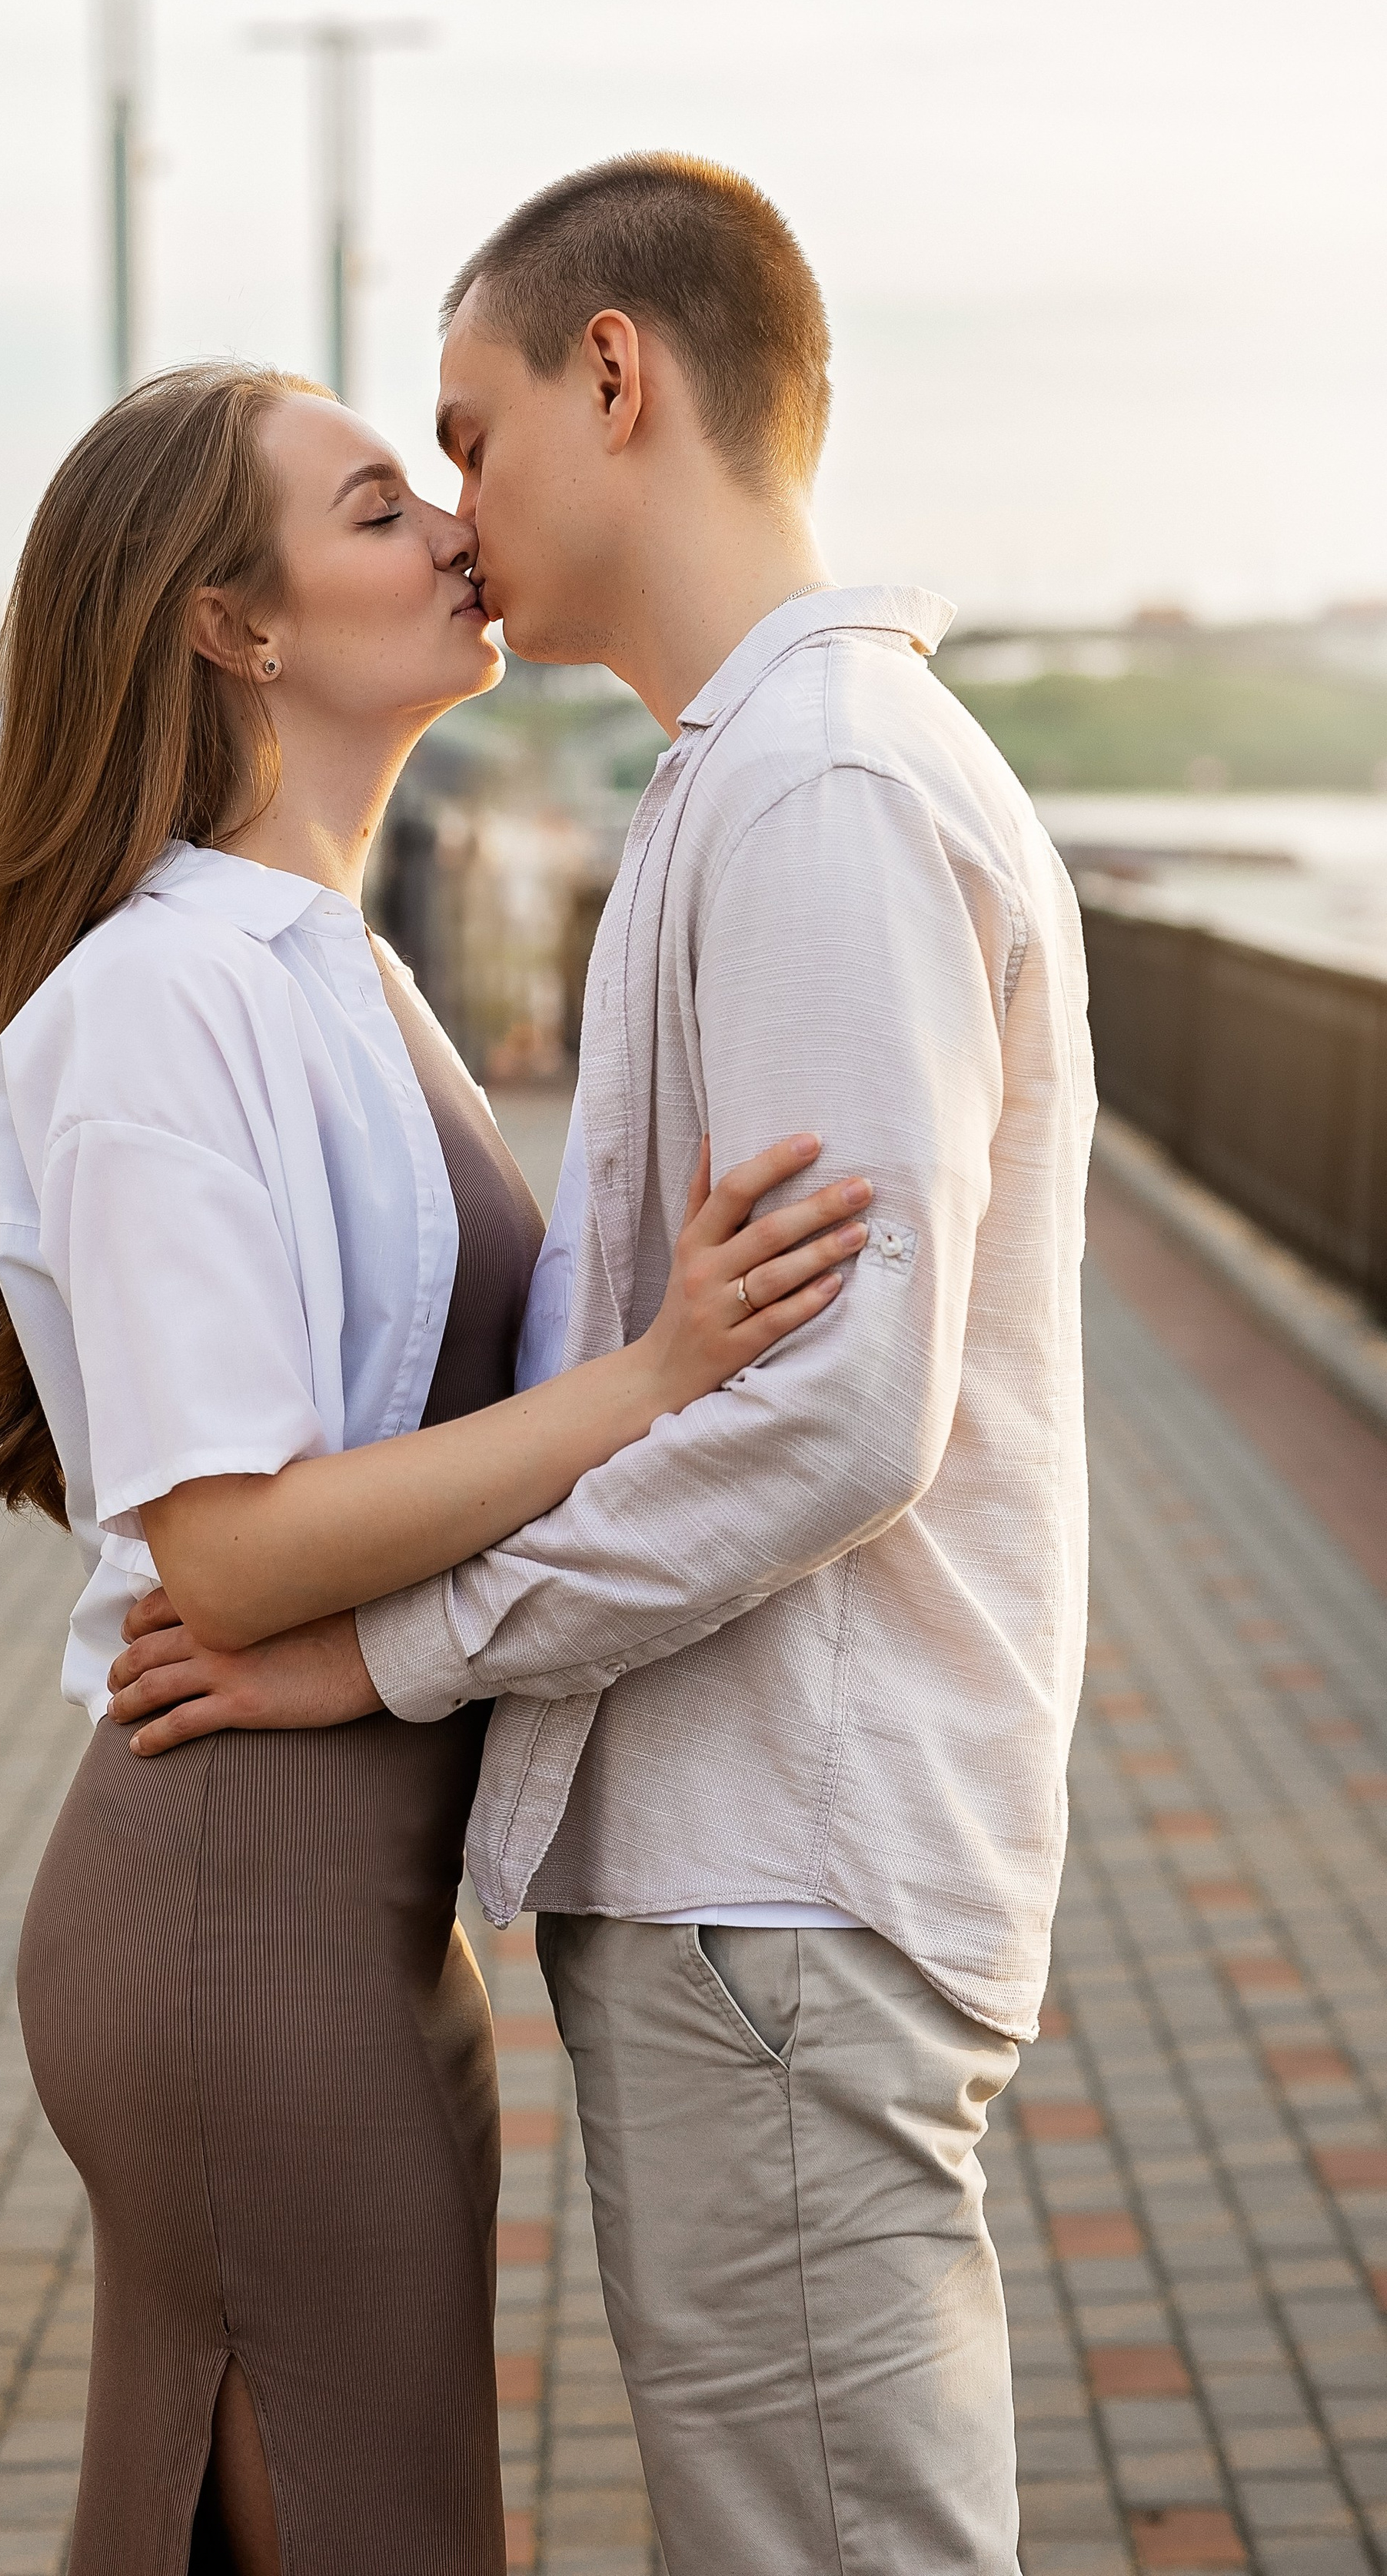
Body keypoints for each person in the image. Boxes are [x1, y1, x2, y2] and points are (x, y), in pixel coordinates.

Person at [108, 156, 1098, 2576]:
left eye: (471, 429)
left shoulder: (820, 786)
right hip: (762, 1879)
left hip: (794, 1878)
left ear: (618, 377)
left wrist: (398, 1651)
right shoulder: (762, 774)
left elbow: (832, 1412)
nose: (458, 507)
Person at [0, 359, 872, 2576]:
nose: (449, 527)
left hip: (339, 1908)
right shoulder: (157, 1007)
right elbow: (228, 1558)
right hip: (244, 1901)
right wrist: (652, 1378)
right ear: (235, 625)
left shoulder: (334, 966)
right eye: (369, 507)